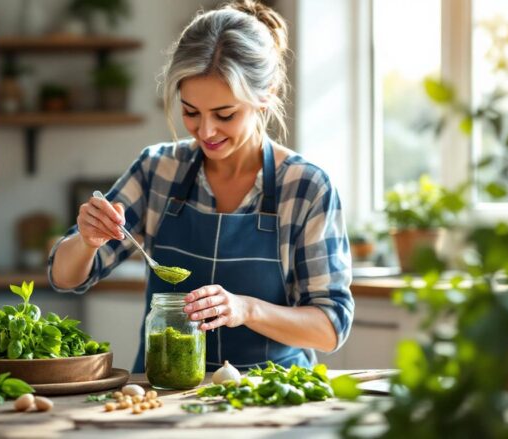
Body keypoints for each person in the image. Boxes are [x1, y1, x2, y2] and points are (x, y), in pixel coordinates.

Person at [48, 0, 354, 373]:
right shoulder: (158, 169)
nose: (205, 132)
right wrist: (86, 240)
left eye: (225, 115)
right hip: (163, 392)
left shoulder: (306, 188)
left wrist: (246, 309)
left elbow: (331, 326)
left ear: (266, 95)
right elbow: (64, 277)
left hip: (270, 396)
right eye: (191, 111)